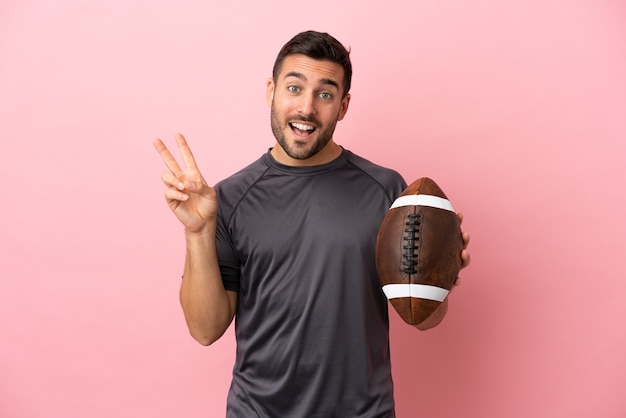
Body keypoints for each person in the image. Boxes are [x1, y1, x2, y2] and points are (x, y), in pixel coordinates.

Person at [154, 30, 470, 418]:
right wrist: (198, 232)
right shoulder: (229, 198)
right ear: (271, 91)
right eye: (293, 88)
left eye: (325, 94)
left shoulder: (387, 191)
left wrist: (440, 277)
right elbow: (205, 330)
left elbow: (426, 321)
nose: (306, 108)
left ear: (343, 105)